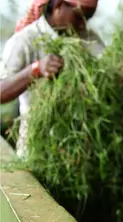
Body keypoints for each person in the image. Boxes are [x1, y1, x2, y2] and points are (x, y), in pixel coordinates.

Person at [0, 0, 105, 158]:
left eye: (88, 18)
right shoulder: (26, 40)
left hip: (81, 151)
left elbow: (107, 71)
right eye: (79, 17)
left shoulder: (89, 39)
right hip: (36, 149)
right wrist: (35, 69)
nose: (83, 25)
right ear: (58, 6)